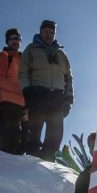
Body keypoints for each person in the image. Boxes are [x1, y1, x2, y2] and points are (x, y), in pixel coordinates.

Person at [20, 19, 73, 161]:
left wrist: (68, 100)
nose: (49, 35)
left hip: (58, 97)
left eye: (51, 32)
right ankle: (32, 162)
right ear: (40, 31)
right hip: (37, 94)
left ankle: (48, 161)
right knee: (34, 132)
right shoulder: (31, 49)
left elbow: (68, 79)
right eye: (46, 32)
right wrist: (27, 92)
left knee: (55, 135)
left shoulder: (61, 54)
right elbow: (23, 73)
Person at [0, 28, 27, 154]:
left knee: (22, 146)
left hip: (23, 107)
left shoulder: (23, 58)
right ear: (7, 41)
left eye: (18, 38)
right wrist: (21, 90)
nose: (15, 41)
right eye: (12, 39)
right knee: (10, 145)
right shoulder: (4, 55)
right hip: (8, 105)